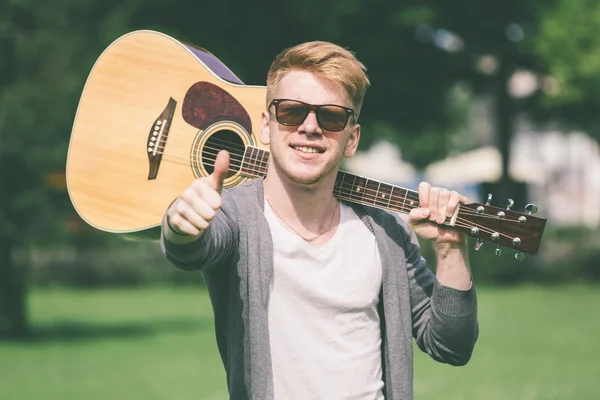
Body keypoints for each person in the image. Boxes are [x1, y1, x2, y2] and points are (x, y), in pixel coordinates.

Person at [161, 40, 478, 400]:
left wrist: (451, 249)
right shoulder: (235, 215)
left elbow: (452, 345)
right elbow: (191, 248)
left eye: (330, 117)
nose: (310, 127)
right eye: (292, 111)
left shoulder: (387, 233)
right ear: (266, 125)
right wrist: (179, 224)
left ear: (351, 138)